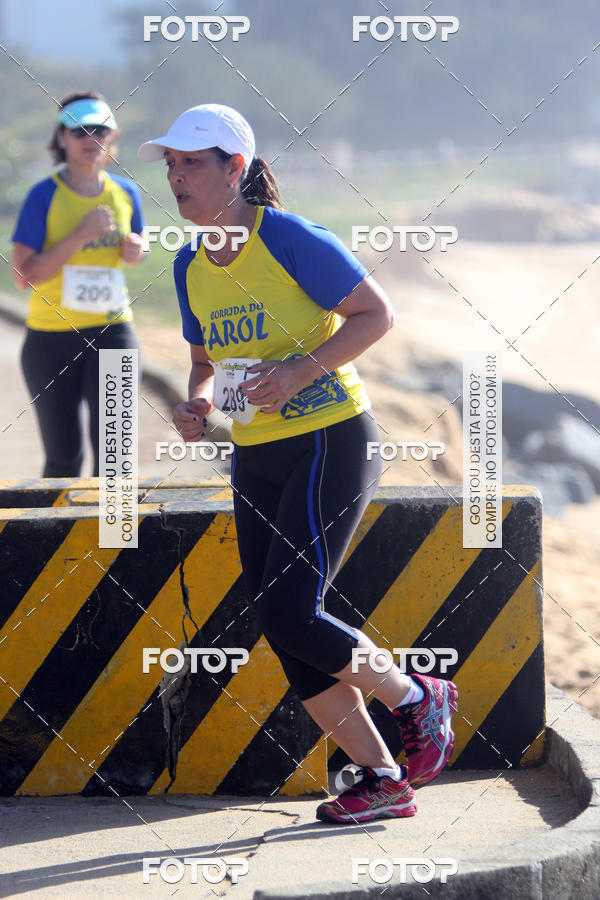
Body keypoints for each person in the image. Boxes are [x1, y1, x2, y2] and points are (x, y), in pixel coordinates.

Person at [138, 103, 458, 824]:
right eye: (172, 165)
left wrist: (298, 372)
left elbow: (377, 315)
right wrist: (197, 405)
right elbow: (203, 363)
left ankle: (418, 696)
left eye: (192, 163)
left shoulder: (288, 238)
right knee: (282, 626)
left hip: (331, 439)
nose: (177, 177)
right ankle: (383, 778)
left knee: (292, 609)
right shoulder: (189, 264)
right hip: (255, 454)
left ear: (235, 168)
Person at [11, 91, 145, 477]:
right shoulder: (44, 195)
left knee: (116, 458)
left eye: (100, 130)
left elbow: (136, 249)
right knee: (64, 458)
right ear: (61, 138)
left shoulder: (126, 193)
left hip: (113, 331)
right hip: (51, 338)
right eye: (79, 131)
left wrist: (137, 251)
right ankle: (56, 521)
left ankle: (115, 520)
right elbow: (23, 275)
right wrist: (81, 235)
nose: (91, 139)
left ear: (113, 136)